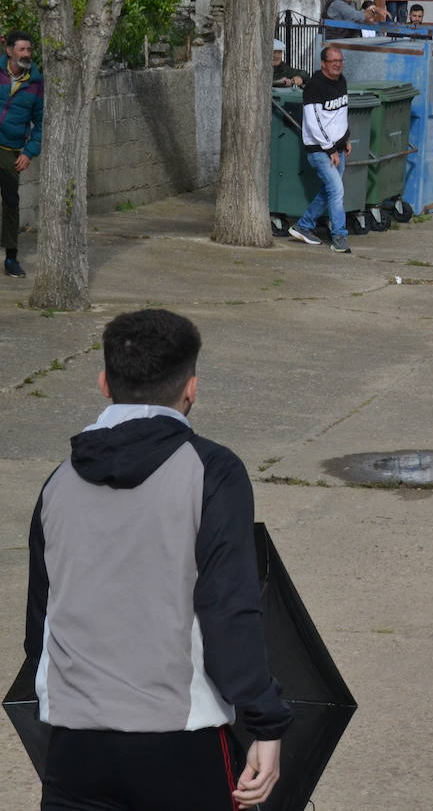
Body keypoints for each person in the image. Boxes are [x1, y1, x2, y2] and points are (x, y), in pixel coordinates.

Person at [25, 308, 290, 809]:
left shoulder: (58, 482)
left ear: (104, 382)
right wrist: (265, 722)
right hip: (178, 739)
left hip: (74, 745)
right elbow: (229, 609)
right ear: (191, 388)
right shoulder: (213, 472)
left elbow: (41, 619)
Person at [288, 46, 353, 254]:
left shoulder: (341, 81)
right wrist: (330, 148)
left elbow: (340, 114)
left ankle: (304, 226)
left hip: (338, 147)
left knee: (329, 191)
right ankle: (339, 236)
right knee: (337, 190)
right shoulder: (314, 86)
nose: (338, 64)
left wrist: (345, 139)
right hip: (319, 150)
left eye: (340, 60)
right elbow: (314, 123)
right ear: (323, 64)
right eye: (333, 61)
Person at [0, 31, 42, 278]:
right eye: (22, 50)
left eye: (29, 50)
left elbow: (41, 124)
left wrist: (29, 152)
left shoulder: (36, 83)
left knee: (11, 203)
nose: (27, 54)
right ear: (9, 51)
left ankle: (11, 258)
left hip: (10, 150)